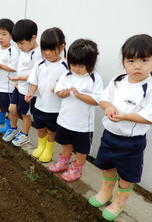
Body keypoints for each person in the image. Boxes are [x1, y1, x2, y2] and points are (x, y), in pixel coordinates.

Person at [88, 34, 152, 221]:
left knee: (127, 175)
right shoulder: (118, 79)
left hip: (131, 143)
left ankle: (119, 202)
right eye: (131, 60)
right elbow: (104, 98)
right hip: (110, 135)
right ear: (124, 61)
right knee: (107, 167)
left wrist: (124, 117)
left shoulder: (149, 87)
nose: (137, 66)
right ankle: (105, 192)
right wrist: (108, 107)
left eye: (144, 60)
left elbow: (148, 117)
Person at [49, 39, 103, 182]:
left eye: (81, 65)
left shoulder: (94, 78)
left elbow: (98, 100)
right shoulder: (67, 75)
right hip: (65, 120)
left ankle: (77, 168)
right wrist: (62, 93)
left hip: (83, 126)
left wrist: (80, 95)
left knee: (81, 149)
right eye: (73, 64)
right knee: (65, 142)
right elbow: (58, 90)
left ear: (91, 63)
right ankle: (63, 161)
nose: (76, 68)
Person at [25, 27, 68, 163]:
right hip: (40, 104)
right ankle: (41, 146)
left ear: (61, 47)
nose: (48, 53)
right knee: (40, 127)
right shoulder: (39, 64)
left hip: (55, 108)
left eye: (52, 49)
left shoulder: (66, 67)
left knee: (51, 131)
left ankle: (49, 150)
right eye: (44, 50)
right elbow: (34, 81)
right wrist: (31, 93)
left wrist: (62, 91)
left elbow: (67, 87)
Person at [2, 19, 41, 146]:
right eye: (17, 44)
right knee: (12, 109)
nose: (19, 46)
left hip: (28, 91)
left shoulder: (37, 54)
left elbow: (37, 75)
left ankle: (25, 134)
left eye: (21, 43)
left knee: (25, 114)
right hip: (18, 87)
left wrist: (20, 79)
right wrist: (17, 81)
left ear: (33, 38)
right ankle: (13, 129)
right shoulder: (24, 50)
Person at [0, 18, 19, 134]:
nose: (0, 37)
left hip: (7, 86)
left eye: (4, 34)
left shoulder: (13, 51)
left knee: (7, 107)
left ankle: (8, 124)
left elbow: (13, 67)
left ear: (11, 35)